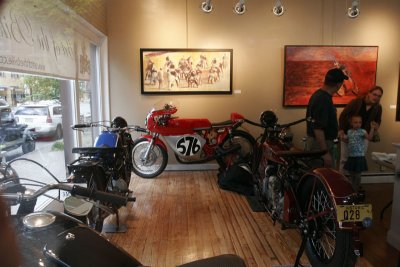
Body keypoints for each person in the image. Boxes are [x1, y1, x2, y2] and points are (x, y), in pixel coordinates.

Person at [306, 68, 348, 167]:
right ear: (339, 84)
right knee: (322, 176)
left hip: (319, 143)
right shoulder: (323, 99)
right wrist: (324, 153)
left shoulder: (319, 95)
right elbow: (318, 128)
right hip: (321, 144)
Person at [338, 86, 383, 173]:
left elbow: (378, 121)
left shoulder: (378, 107)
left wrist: (376, 126)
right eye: (374, 94)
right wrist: (341, 130)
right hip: (349, 134)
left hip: (363, 137)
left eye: (379, 96)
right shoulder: (356, 102)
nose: (376, 97)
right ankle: (342, 182)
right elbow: (343, 115)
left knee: (359, 160)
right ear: (369, 93)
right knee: (344, 159)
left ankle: (354, 182)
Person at [342, 115, 376, 191]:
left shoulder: (363, 131)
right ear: (351, 123)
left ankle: (356, 189)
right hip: (351, 156)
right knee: (351, 174)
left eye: (360, 122)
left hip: (359, 157)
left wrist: (372, 128)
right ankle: (352, 188)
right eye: (355, 122)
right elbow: (347, 140)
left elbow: (369, 138)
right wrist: (342, 136)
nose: (358, 124)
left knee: (357, 175)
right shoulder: (349, 131)